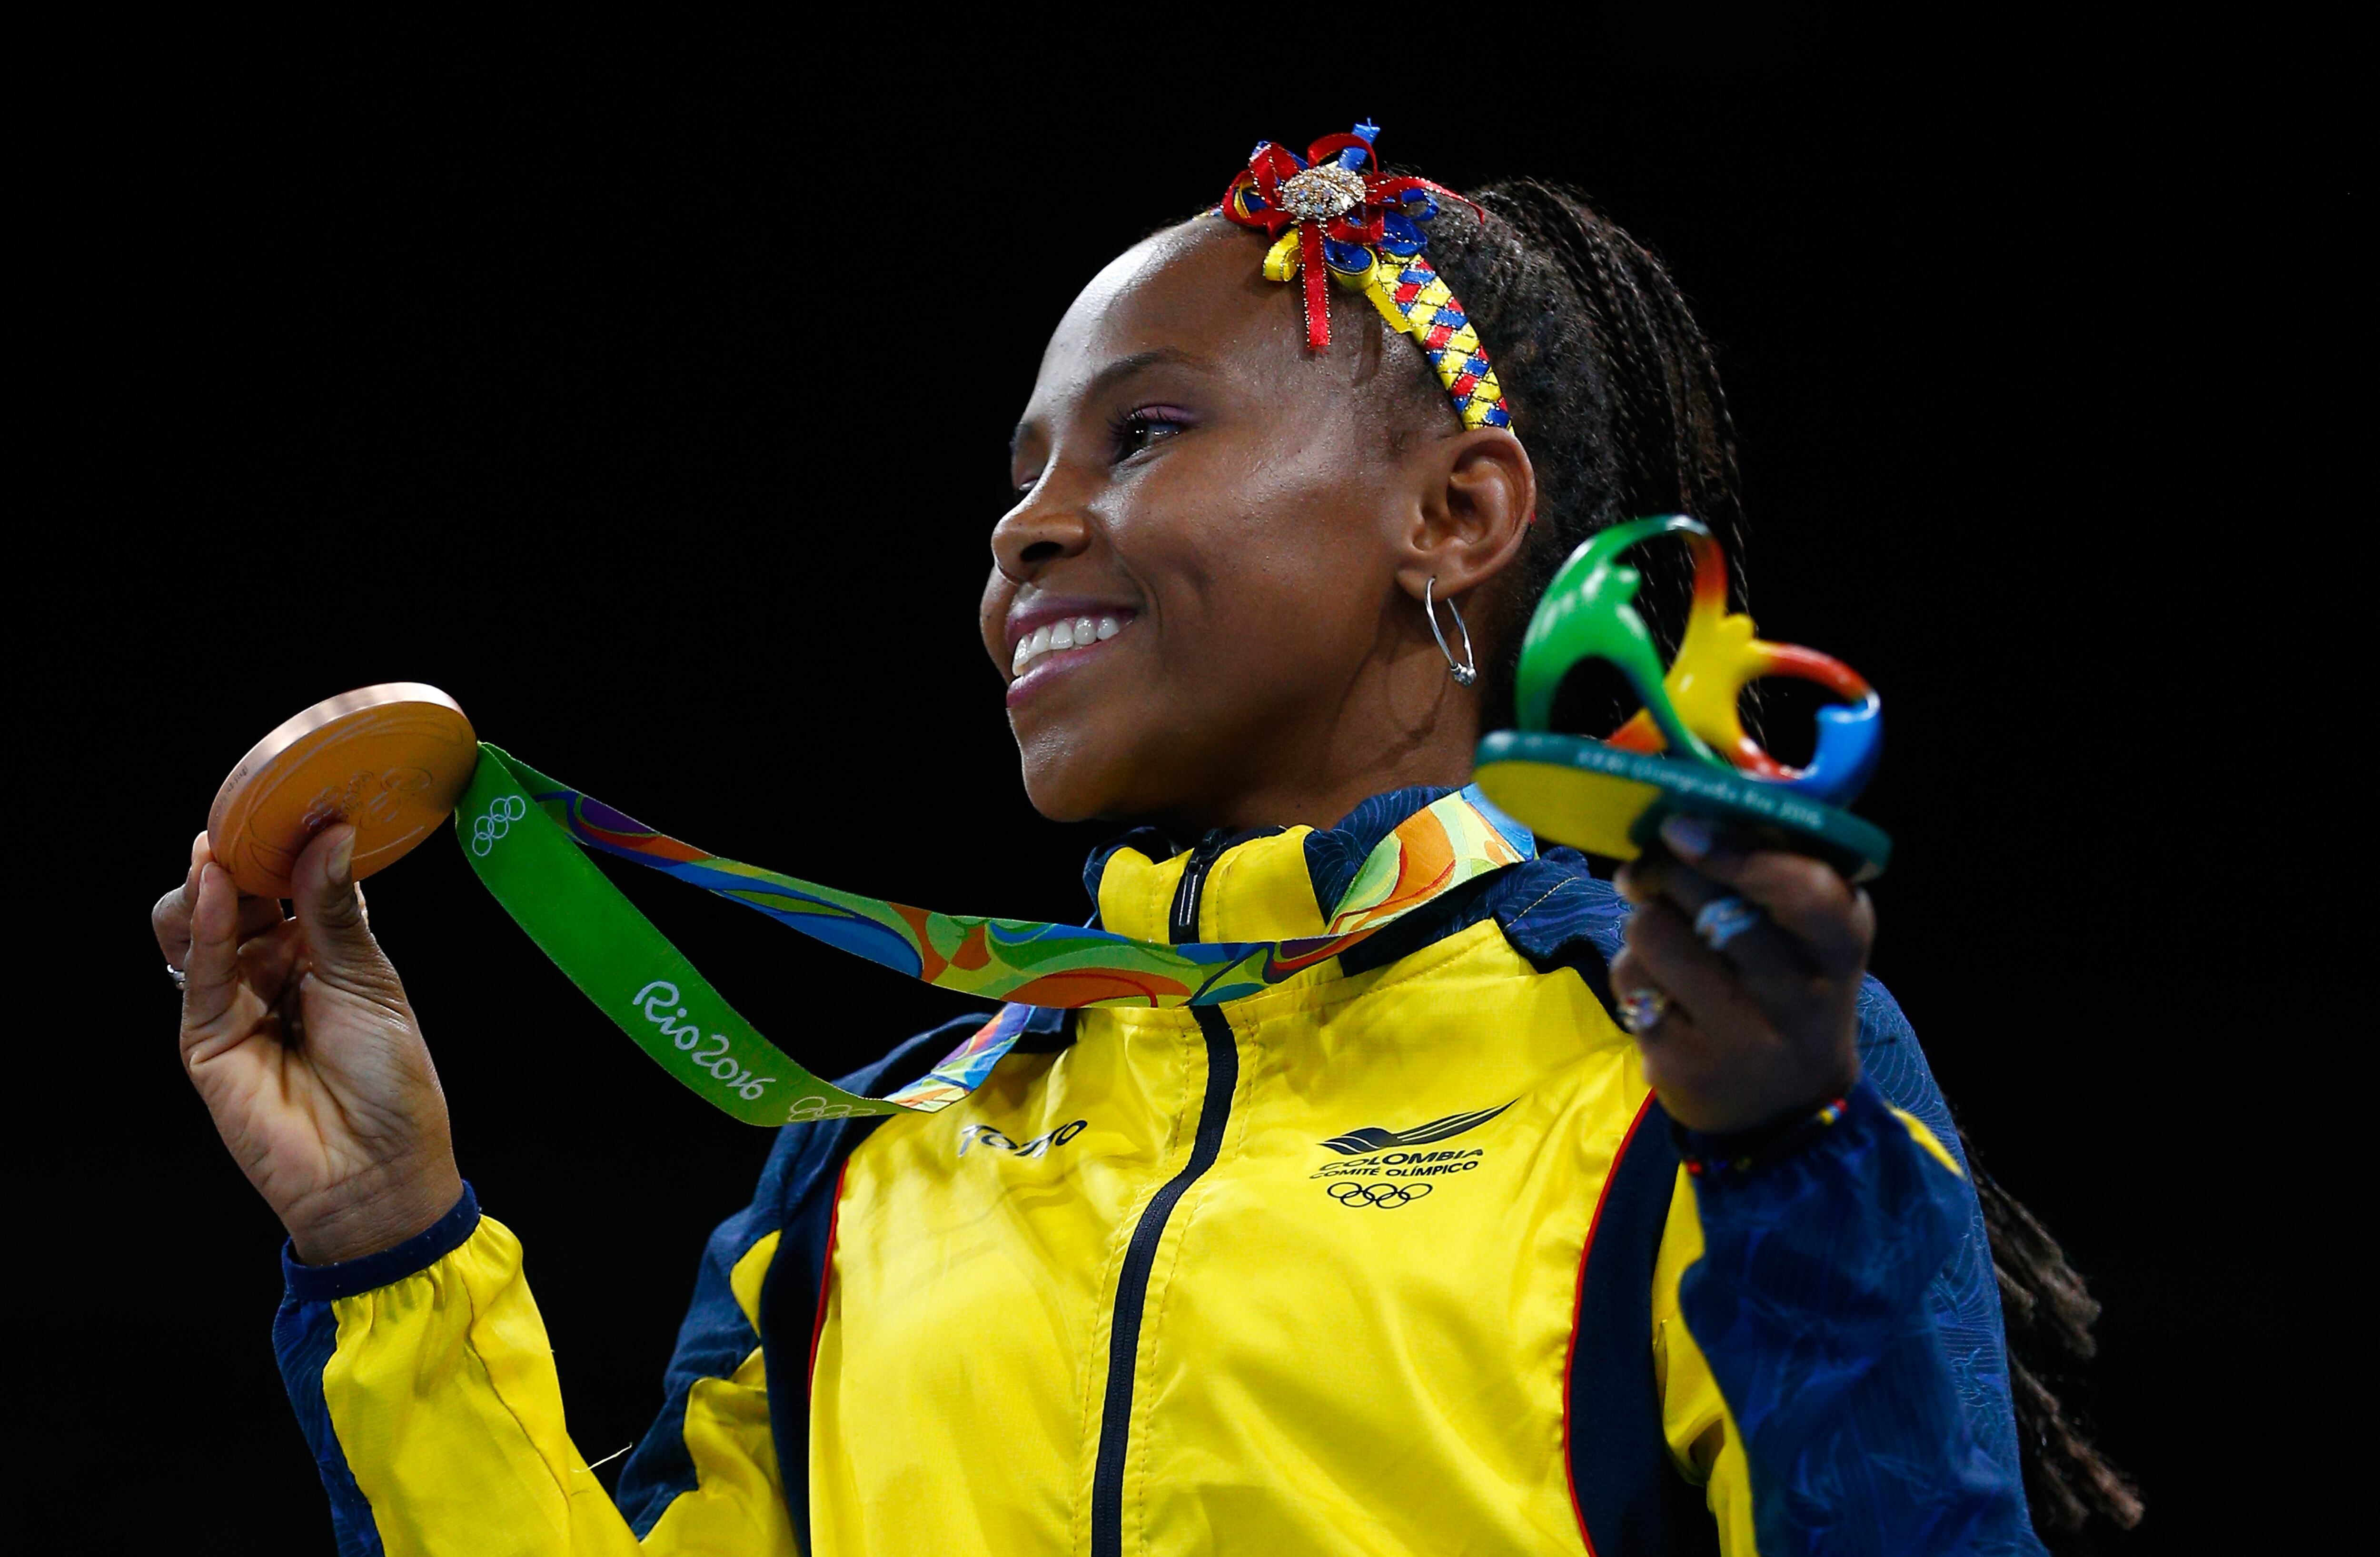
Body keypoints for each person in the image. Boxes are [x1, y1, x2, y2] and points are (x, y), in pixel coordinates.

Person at [154, 128, 2131, 1555]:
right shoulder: (874, 1162)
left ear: (1453, 516)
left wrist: (1792, 1161)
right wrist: (389, 1245)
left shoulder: (1669, 1058)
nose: (1024, 528)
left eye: (1144, 434)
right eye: (1019, 475)